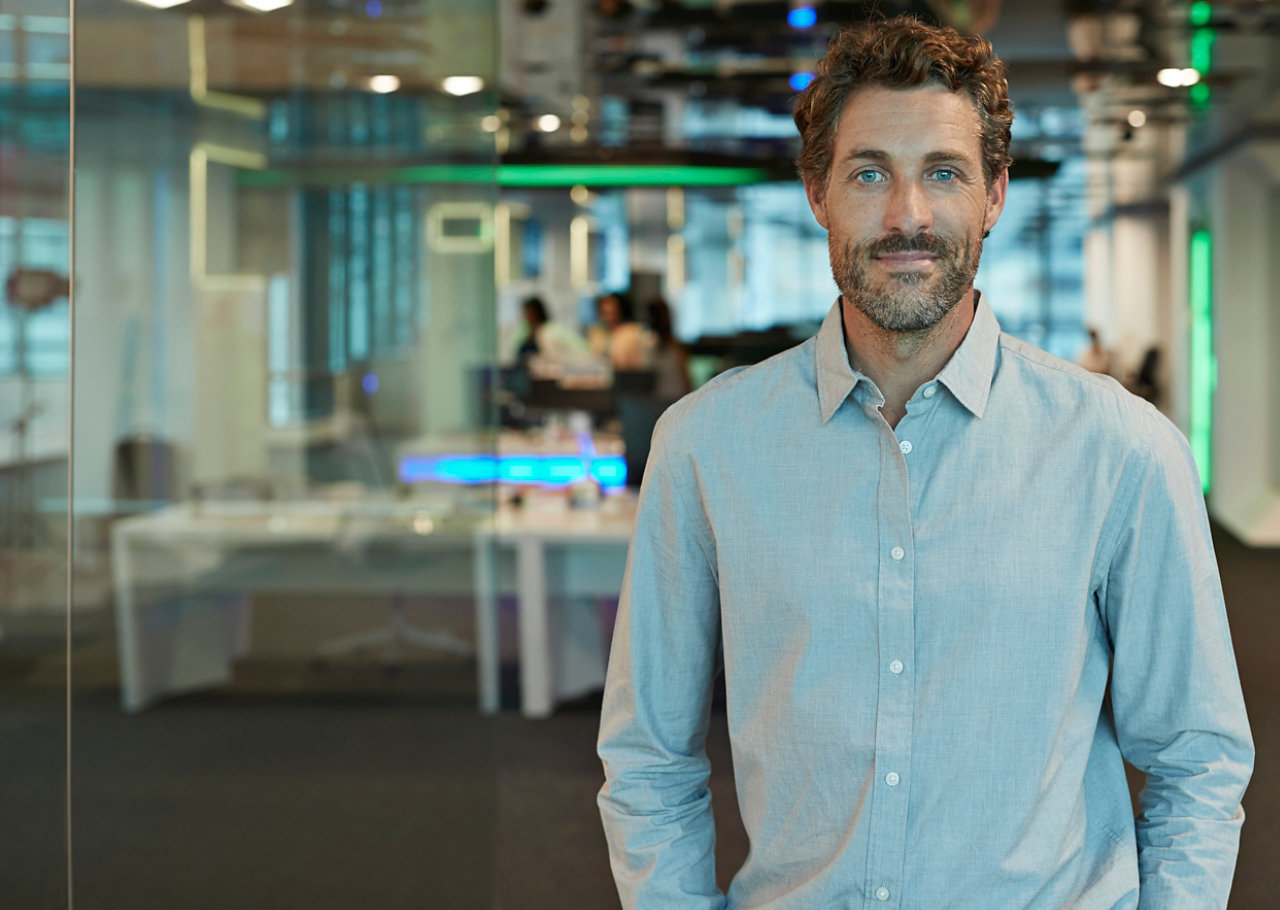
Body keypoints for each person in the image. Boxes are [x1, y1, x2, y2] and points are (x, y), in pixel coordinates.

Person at [597, 16, 1252, 910]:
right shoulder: (706, 447)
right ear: (817, 194)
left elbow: (1196, 760)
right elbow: (648, 760)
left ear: (994, 196)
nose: (907, 215)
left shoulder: (1122, 451)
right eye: (870, 173)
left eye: (943, 173)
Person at [513, 295, 590, 367]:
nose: (527, 317)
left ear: (538, 313)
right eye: (526, 313)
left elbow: (551, 359)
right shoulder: (525, 331)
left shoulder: (549, 331)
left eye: (530, 313)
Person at [644, 297, 693, 401]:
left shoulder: (674, 346)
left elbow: (686, 379)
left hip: (671, 400)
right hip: (661, 401)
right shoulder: (649, 342)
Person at [588, 292, 651, 370]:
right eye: (604, 313)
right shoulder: (597, 333)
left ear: (620, 311)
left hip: (625, 376)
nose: (608, 317)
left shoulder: (632, 332)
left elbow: (639, 364)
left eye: (611, 312)